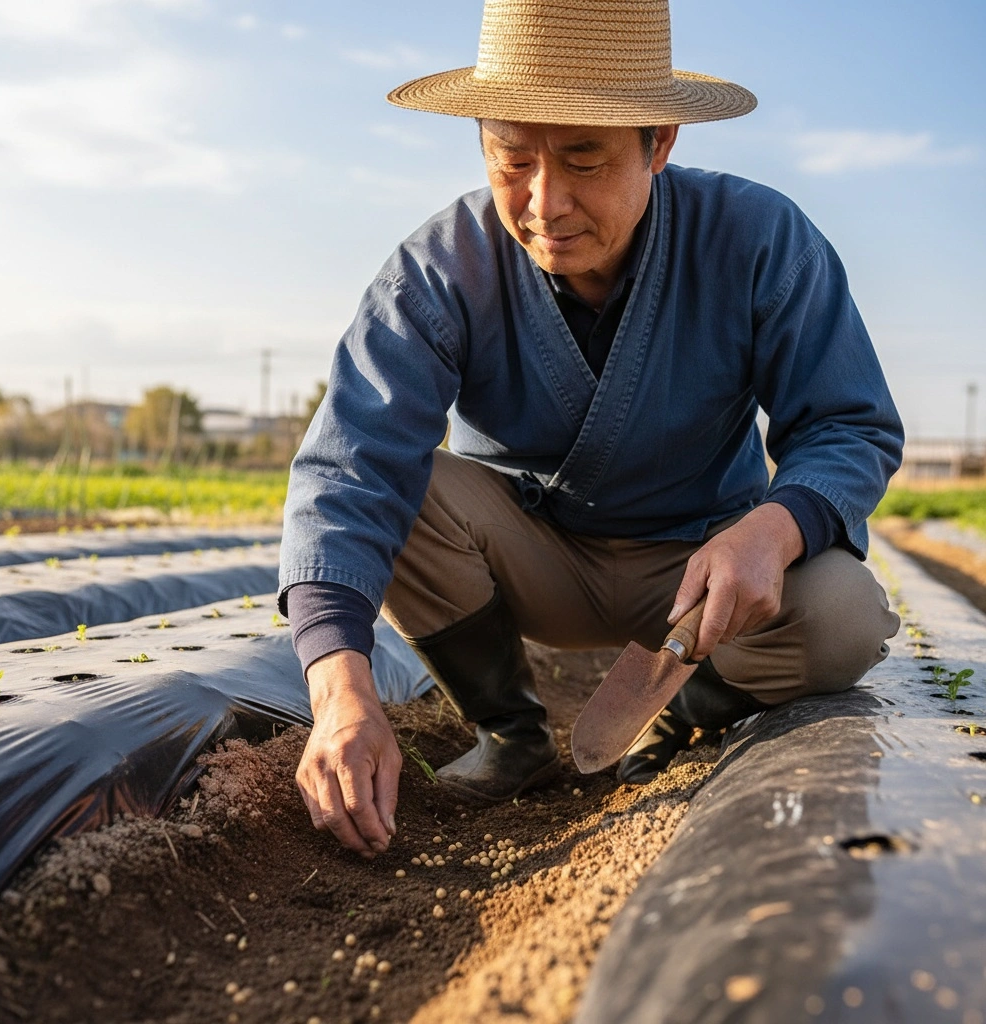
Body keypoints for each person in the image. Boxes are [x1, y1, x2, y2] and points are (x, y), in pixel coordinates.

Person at [279, 0, 903, 859]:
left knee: (844, 613)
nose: (546, 202)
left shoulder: (759, 241)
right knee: (401, 487)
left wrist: (777, 524)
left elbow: (848, 423)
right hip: (531, 556)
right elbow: (348, 470)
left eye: (583, 159)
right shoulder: (440, 269)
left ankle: (683, 709)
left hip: (699, 579)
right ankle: (511, 735)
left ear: (661, 143)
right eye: (513, 158)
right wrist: (341, 688)